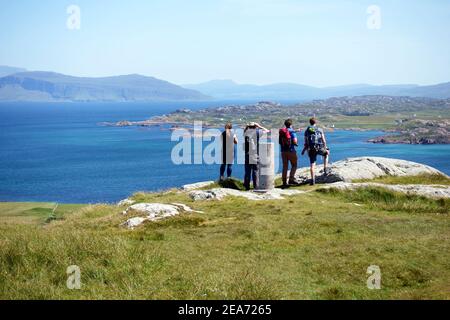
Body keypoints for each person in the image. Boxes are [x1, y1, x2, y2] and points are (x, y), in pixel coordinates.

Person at [302, 117, 330, 185]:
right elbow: (323, 140)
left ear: (310, 122)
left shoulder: (307, 130)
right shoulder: (319, 130)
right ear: (315, 122)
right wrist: (325, 148)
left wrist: (305, 150)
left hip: (311, 149)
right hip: (319, 147)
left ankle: (312, 180)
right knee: (326, 153)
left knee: (312, 164)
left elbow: (306, 142)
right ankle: (325, 168)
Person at [243, 122, 269, 191]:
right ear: (255, 127)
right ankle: (256, 186)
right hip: (255, 154)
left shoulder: (246, 133)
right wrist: (259, 126)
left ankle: (246, 186)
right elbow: (267, 131)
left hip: (247, 154)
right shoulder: (257, 132)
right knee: (255, 171)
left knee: (247, 171)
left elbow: (244, 131)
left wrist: (246, 126)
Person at [279, 119, 299, 187]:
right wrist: (296, 143)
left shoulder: (282, 132)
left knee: (285, 166)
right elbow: (295, 141)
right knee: (294, 165)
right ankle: (291, 179)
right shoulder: (292, 132)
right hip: (291, 151)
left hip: (283, 151)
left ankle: (284, 182)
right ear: (291, 124)